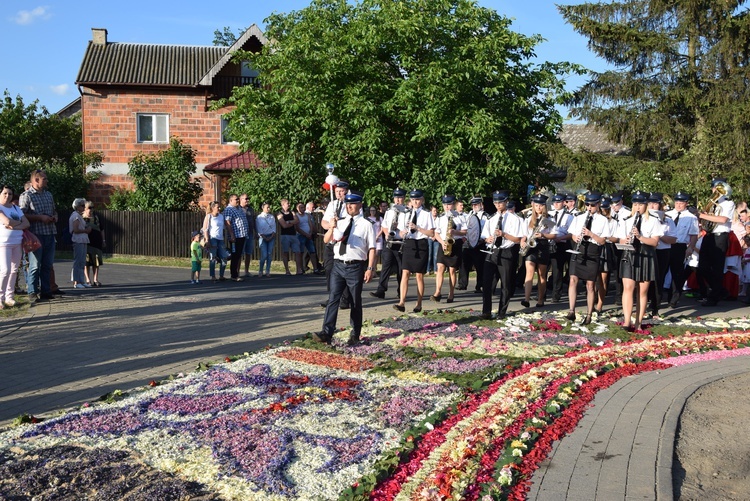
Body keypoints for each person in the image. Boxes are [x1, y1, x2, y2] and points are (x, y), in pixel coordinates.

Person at [313, 191, 377, 346]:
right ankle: (327, 332)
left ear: (360, 205)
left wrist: (370, 268)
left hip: (355, 266)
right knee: (333, 298)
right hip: (338, 264)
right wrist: (331, 227)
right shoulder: (340, 221)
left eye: (353, 204)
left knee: (355, 301)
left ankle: (355, 333)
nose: (349, 206)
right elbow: (328, 240)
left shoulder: (366, 225)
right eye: (347, 204)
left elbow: (372, 248)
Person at [616, 191, 662, 331]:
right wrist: (627, 238)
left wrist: (640, 237)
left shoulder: (653, 220)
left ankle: (639, 323)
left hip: (645, 254)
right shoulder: (626, 219)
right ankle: (627, 321)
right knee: (628, 288)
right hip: (629, 254)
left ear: (646, 205)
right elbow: (620, 239)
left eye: (641, 204)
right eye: (635, 204)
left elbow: (655, 242)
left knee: (642, 292)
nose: (637, 207)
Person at [565, 192, 611, 325]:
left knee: (590, 285)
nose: (589, 207)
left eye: (592, 205)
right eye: (587, 205)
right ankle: (571, 311)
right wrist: (577, 237)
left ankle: (589, 313)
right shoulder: (579, 217)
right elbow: (572, 234)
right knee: (573, 279)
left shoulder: (603, 220)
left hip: (593, 251)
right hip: (579, 249)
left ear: (598, 205)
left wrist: (590, 234)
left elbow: (603, 241)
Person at [480, 190, 524, 319]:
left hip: (506, 251)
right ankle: (486, 311)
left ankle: (502, 312)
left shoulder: (515, 219)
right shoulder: (491, 218)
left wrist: (503, 234)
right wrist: (487, 239)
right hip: (492, 251)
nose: (498, 205)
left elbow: (517, 239)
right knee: (487, 283)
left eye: (500, 202)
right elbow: (484, 235)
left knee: (506, 283)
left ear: (506, 202)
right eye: (496, 202)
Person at [19, 170, 58, 302]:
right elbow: (22, 215)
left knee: (47, 265)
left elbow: (54, 210)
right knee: (35, 265)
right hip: (35, 235)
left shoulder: (48, 195)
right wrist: (40, 217)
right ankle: (32, 291)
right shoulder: (26, 195)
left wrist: (55, 217)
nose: (47, 181)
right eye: (44, 179)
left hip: (50, 233)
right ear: (36, 180)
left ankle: (46, 291)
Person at [394, 189, 435, 313]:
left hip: (421, 244)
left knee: (418, 276)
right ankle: (402, 302)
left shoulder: (427, 214)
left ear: (422, 200)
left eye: (417, 199)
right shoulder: (406, 213)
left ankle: (419, 303)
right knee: (405, 272)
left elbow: (431, 232)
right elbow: (400, 232)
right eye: (413, 200)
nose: (415, 202)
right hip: (409, 243)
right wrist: (402, 232)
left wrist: (417, 228)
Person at [698, 178, 735, 306]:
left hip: (720, 236)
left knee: (717, 269)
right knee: (702, 267)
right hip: (708, 236)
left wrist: (702, 216)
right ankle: (720, 290)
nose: (715, 190)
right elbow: (707, 220)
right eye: (714, 187)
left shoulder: (728, 203)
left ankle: (713, 298)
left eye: (718, 187)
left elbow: (723, 219)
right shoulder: (712, 203)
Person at [520, 194, 555, 308]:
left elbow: (553, 235)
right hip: (531, 247)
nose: (538, 207)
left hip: (543, 246)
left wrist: (543, 235)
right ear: (533, 205)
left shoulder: (549, 218)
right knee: (529, 272)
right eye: (536, 205)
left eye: (541, 205)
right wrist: (523, 241)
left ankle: (540, 299)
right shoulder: (528, 217)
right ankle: (526, 299)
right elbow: (524, 234)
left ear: (544, 206)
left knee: (541, 275)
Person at [370, 188, 406, 299]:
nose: (397, 200)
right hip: (389, 241)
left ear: (404, 198)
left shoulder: (407, 212)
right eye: (396, 198)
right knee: (386, 266)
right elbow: (384, 225)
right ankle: (381, 290)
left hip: (400, 242)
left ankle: (401, 292)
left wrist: (402, 233)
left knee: (401, 268)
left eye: (400, 198)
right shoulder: (389, 212)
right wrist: (386, 233)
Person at [665, 191, 699, 307]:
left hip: (679, 246)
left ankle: (674, 299)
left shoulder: (691, 217)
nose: (679, 205)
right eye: (677, 202)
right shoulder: (667, 214)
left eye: (681, 203)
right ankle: (658, 298)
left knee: (677, 273)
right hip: (666, 244)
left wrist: (690, 248)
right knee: (662, 271)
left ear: (686, 204)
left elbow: (694, 234)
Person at [431, 195, 466, 303]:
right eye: (445, 204)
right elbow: (436, 233)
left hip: (455, 244)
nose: (447, 207)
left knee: (452, 270)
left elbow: (465, 231)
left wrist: (455, 232)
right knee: (440, 267)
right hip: (444, 244)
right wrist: (441, 242)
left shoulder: (460, 217)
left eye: (449, 204)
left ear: (453, 205)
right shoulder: (440, 218)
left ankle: (451, 293)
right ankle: (437, 292)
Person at [646, 192, 676, 317]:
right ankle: (644, 304)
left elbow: (674, 239)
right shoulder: (643, 218)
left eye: (655, 203)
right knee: (646, 279)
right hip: (647, 250)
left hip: (662, 251)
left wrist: (659, 235)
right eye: (650, 203)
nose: (653, 206)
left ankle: (655, 308)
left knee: (659, 280)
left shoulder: (667, 219)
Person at [0, 185, 30, 308]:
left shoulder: (16, 208)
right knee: (5, 270)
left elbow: (26, 223)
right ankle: (0, 297)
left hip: (17, 242)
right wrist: (19, 224)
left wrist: (15, 226)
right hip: (4, 243)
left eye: (10, 194)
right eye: (5, 193)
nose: (8, 196)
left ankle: (9, 297)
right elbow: (6, 222)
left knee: (14, 270)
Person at [458, 195, 488, 293]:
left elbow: (486, 230)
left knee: (479, 266)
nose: (474, 206)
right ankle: (462, 284)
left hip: (479, 243)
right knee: (463, 264)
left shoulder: (485, 216)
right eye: (473, 204)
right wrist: (463, 236)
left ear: (481, 204)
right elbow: (465, 227)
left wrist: (482, 240)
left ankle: (479, 285)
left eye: (476, 204)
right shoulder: (469, 215)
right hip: (468, 242)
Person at [595, 197, 619, 314]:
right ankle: (593, 299)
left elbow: (616, 238)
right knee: (592, 277)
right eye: (602, 209)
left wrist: (605, 236)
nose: (603, 211)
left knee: (603, 279)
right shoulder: (596, 219)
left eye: (606, 209)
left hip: (606, 247)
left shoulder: (613, 221)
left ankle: (600, 303)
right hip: (595, 246)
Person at [548, 193, 573, 302]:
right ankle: (553, 294)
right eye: (554, 202)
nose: (556, 204)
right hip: (551, 243)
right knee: (556, 270)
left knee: (567, 270)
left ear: (564, 202)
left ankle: (561, 293)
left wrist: (561, 237)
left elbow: (572, 233)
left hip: (564, 243)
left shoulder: (569, 216)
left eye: (558, 202)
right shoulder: (549, 214)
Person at [201, 201, 234, 282]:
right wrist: (207, 240)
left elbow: (226, 226)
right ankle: (213, 276)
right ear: (212, 208)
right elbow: (205, 229)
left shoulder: (221, 216)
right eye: (217, 207)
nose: (219, 208)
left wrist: (231, 234)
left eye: (219, 207)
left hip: (220, 239)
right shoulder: (209, 216)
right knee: (213, 258)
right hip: (212, 238)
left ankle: (221, 275)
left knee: (224, 257)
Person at [223, 194, 249, 282]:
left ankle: (236, 273)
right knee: (235, 255)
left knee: (239, 255)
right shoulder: (229, 209)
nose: (237, 201)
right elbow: (227, 222)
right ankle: (234, 275)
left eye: (238, 199)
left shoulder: (239, 208)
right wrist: (232, 234)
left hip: (242, 235)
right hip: (235, 236)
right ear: (230, 201)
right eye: (236, 199)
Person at [69, 198, 92, 289]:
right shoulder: (75, 216)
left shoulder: (79, 215)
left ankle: (81, 281)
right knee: (78, 261)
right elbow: (75, 229)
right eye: (82, 205)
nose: (84, 207)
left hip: (83, 239)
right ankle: (76, 281)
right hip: (78, 239)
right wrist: (86, 230)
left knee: (82, 261)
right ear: (77, 206)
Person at [296, 201, 324, 274]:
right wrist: (305, 234)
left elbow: (311, 224)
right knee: (301, 252)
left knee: (312, 251)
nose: (302, 209)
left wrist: (311, 232)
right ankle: (301, 268)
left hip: (309, 235)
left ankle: (316, 269)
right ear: (297, 209)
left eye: (303, 207)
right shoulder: (296, 216)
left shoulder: (307, 215)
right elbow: (297, 228)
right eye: (301, 207)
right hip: (301, 235)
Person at [83, 201, 105, 287]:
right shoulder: (82, 218)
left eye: (92, 207)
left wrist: (103, 240)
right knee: (87, 262)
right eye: (89, 208)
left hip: (97, 242)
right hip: (87, 243)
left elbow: (102, 229)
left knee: (96, 262)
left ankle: (96, 279)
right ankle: (88, 280)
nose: (91, 210)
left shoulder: (96, 218)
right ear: (85, 208)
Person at [277, 198, 302, 275]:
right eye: (287, 203)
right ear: (283, 205)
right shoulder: (280, 214)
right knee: (285, 252)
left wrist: (289, 222)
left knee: (297, 252)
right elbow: (284, 225)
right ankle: (287, 270)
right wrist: (292, 223)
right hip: (285, 235)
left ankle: (298, 270)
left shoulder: (292, 212)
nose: (289, 204)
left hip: (293, 234)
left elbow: (297, 220)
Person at [256, 202, 276, 277]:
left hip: (271, 236)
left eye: (269, 207)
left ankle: (267, 270)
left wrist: (271, 236)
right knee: (264, 255)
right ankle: (260, 270)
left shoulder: (272, 217)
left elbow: (274, 228)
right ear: (263, 208)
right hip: (263, 237)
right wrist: (264, 237)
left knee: (269, 254)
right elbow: (259, 229)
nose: (268, 209)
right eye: (267, 207)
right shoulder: (259, 217)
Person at [240, 194, 256, 278]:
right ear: (241, 199)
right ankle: (237, 271)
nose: (247, 200)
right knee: (240, 253)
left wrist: (255, 231)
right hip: (241, 233)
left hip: (250, 233)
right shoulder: (238, 209)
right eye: (246, 199)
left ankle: (246, 270)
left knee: (248, 253)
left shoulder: (250, 209)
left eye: (248, 199)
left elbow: (253, 220)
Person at [366, 205, 383, 273]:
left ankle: (374, 269)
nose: (372, 212)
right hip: (370, 237)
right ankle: (371, 269)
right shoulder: (367, 219)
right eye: (371, 210)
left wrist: (378, 236)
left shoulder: (380, 218)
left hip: (378, 238)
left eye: (374, 210)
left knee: (376, 254)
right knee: (371, 253)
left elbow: (382, 228)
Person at [426, 205, 439, 275]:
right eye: (434, 211)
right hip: (429, 238)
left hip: (436, 239)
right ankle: (428, 269)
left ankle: (435, 269)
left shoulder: (438, 219)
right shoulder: (428, 218)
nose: (435, 212)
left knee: (436, 255)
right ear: (431, 211)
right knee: (429, 254)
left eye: (436, 211)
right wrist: (431, 236)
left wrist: (435, 236)